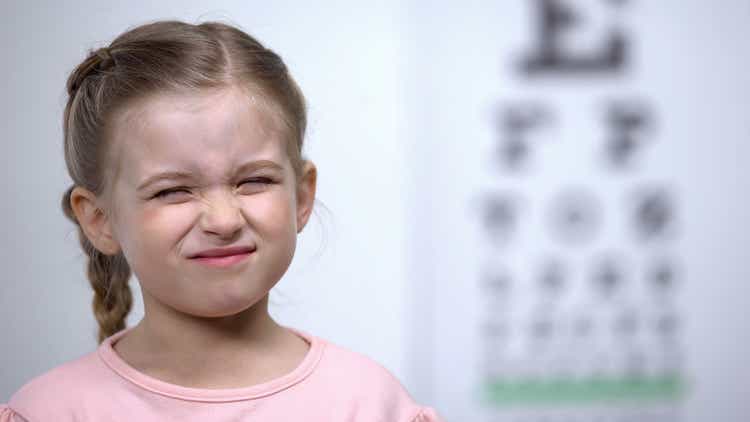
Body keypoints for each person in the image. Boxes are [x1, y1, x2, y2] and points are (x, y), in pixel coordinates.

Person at [0, 19, 444, 422]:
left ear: (302, 196)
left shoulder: (370, 405)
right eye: (172, 190)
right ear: (100, 220)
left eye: (253, 181)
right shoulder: (49, 411)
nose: (224, 220)